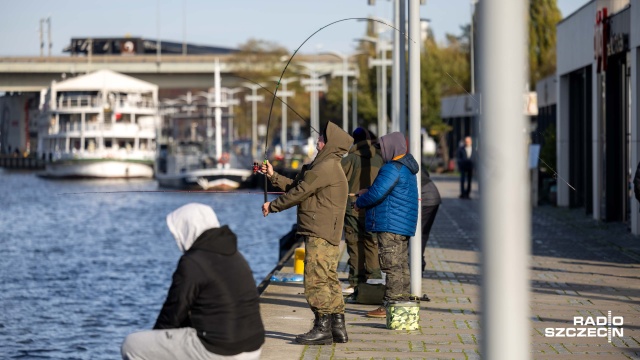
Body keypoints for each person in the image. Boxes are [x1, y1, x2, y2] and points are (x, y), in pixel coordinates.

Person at [121, 203, 265, 360]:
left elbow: (172, 313)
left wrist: (156, 344)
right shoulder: (235, 255)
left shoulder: (193, 262)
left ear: (188, 228)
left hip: (222, 351)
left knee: (132, 344)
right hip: (252, 347)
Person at [261, 121, 353, 345]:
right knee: (329, 278)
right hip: (326, 231)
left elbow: (299, 192)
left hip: (319, 231)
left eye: (321, 138)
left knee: (316, 281)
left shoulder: (325, 167)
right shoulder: (328, 166)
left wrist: (272, 206)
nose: (318, 141)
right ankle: (337, 326)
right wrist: (273, 175)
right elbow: (300, 186)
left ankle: (322, 328)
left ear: (329, 144)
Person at [354, 132, 419, 318]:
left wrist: (359, 202)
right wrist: (369, 191)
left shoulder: (392, 168)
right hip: (402, 223)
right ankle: (402, 304)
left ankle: (390, 306)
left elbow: (377, 194)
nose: (381, 153)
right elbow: (383, 190)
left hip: (390, 223)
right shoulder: (406, 167)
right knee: (401, 265)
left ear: (391, 147)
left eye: (382, 148)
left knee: (391, 265)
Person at [341, 127, 384, 294]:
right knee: (372, 243)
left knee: (354, 243)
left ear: (354, 140)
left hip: (353, 207)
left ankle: (356, 282)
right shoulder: (380, 159)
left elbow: (337, 179)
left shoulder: (350, 159)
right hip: (374, 207)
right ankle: (374, 279)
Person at [421, 170, 441, 274]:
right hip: (433, 196)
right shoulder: (414, 161)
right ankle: (419, 263)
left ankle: (418, 263)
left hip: (426, 198)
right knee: (423, 233)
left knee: (418, 233)